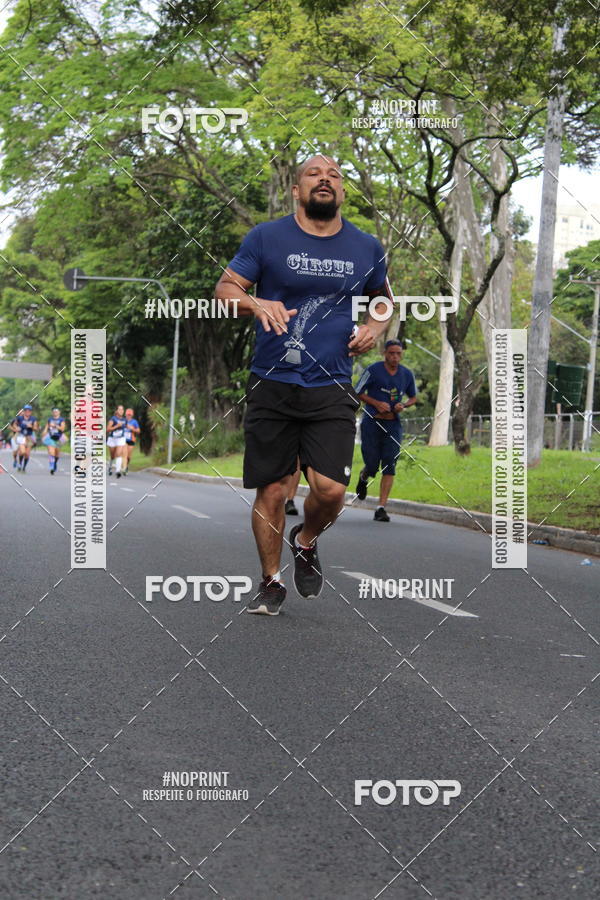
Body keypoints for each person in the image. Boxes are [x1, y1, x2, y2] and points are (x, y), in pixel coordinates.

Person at [215, 153, 390, 615]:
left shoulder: (365, 246)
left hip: (331, 383)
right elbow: (226, 290)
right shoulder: (267, 237)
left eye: (334, 174)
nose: (325, 179)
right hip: (272, 381)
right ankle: (270, 582)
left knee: (331, 490)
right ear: (297, 190)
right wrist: (257, 304)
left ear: (342, 192)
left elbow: (383, 301)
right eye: (314, 174)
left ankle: (306, 540)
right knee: (273, 490)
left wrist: (375, 326)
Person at [354, 340, 417, 521]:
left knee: (390, 464)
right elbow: (357, 390)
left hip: (393, 425)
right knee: (373, 465)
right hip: (372, 423)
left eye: (398, 353)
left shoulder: (406, 374)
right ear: (384, 353)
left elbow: (413, 397)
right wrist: (375, 403)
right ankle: (365, 476)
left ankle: (381, 507)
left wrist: (402, 405)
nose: (395, 357)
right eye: (391, 353)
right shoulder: (373, 369)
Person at [10, 405, 39, 472]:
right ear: (24, 411)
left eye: (29, 410)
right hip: (21, 436)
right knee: (22, 452)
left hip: (29, 437)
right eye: (26, 410)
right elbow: (14, 424)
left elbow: (36, 428)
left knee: (27, 454)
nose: (27, 412)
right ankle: (19, 463)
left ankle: (24, 467)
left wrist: (31, 426)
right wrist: (16, 428)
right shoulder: (20, 418)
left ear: (31, 412)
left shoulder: (33, 419)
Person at [41, 407, 67, 474]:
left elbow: (62, 429)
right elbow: (46, 427)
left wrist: (55, 426)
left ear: (59, 412)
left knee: (57, 454)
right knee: (51, 452)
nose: (55, 412)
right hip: (50, 437)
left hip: (59, 437)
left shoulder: (61, 420)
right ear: (52, 412)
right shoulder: (50, 419)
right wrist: (44, 432)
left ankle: (55, 463)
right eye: (54, 411)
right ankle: (51, 467)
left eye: (56, 411)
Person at [107, 404, 127, 478]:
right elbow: (108, 429)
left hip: (120, 439)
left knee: (119, 453)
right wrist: (116, 426)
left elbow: (126, 427)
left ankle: (118, 471)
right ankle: (110, 466)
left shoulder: (125, 420)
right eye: (119, 409)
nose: (121, 411)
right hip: (112, 439)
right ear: (117, 411)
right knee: (112, 455)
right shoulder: (113, 419)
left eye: (122, 410)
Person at [123, 408, 141, 475]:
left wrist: (132, 428)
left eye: (130, 415)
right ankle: (124, 468)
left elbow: (138, 431)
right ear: (125, 415)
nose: (128, 416)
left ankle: (126, 466)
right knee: (124, 454)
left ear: (132, 415)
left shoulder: (134, 422)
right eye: (128, 415)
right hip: (123, 440)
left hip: (131, 440)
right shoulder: (123, 421)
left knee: (128, 456)